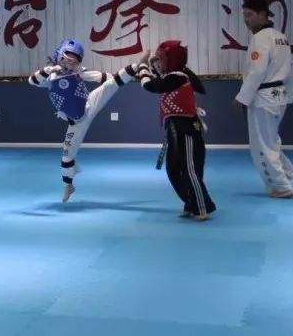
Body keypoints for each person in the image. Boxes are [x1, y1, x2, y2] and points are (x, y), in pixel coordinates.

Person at [29, 39, 138, 202]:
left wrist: (127, 74)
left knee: (109, 85)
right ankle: (68, 186)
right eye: (67, 59)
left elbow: (104, 78)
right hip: (76, 123)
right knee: (66, 159)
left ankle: (137, 65)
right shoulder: (49, 77)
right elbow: (32, 81)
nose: (70, 63)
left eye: (74, 61)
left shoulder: (78, 73)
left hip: (89, 104)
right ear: (59, 56)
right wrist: (48, 70)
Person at [136, 41, 216, 220]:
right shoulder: (174, 76)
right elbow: (161, 80)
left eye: (161, 59)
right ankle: (191, 202)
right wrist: (152, 65)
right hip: (175, 128)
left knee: (189, 169)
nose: (158, 63)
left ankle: (201, 207)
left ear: (171, 60)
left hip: (186, 129)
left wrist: (142, 65)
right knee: (173, 169)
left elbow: (151, 86)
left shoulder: (178, 76)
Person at [233, 0, 293, 198]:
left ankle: (281, 186)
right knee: (271, 140)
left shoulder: (260, 38)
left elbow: (257, 71)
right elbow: (291, 68)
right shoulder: (281, 37)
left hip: (264, 97)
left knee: (261, 145)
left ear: (263, 15)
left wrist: (242, 97)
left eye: (250, 15)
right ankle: (286, 173)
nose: (246, 19)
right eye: (244, 15)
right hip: (279, 95)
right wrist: (289, 95)